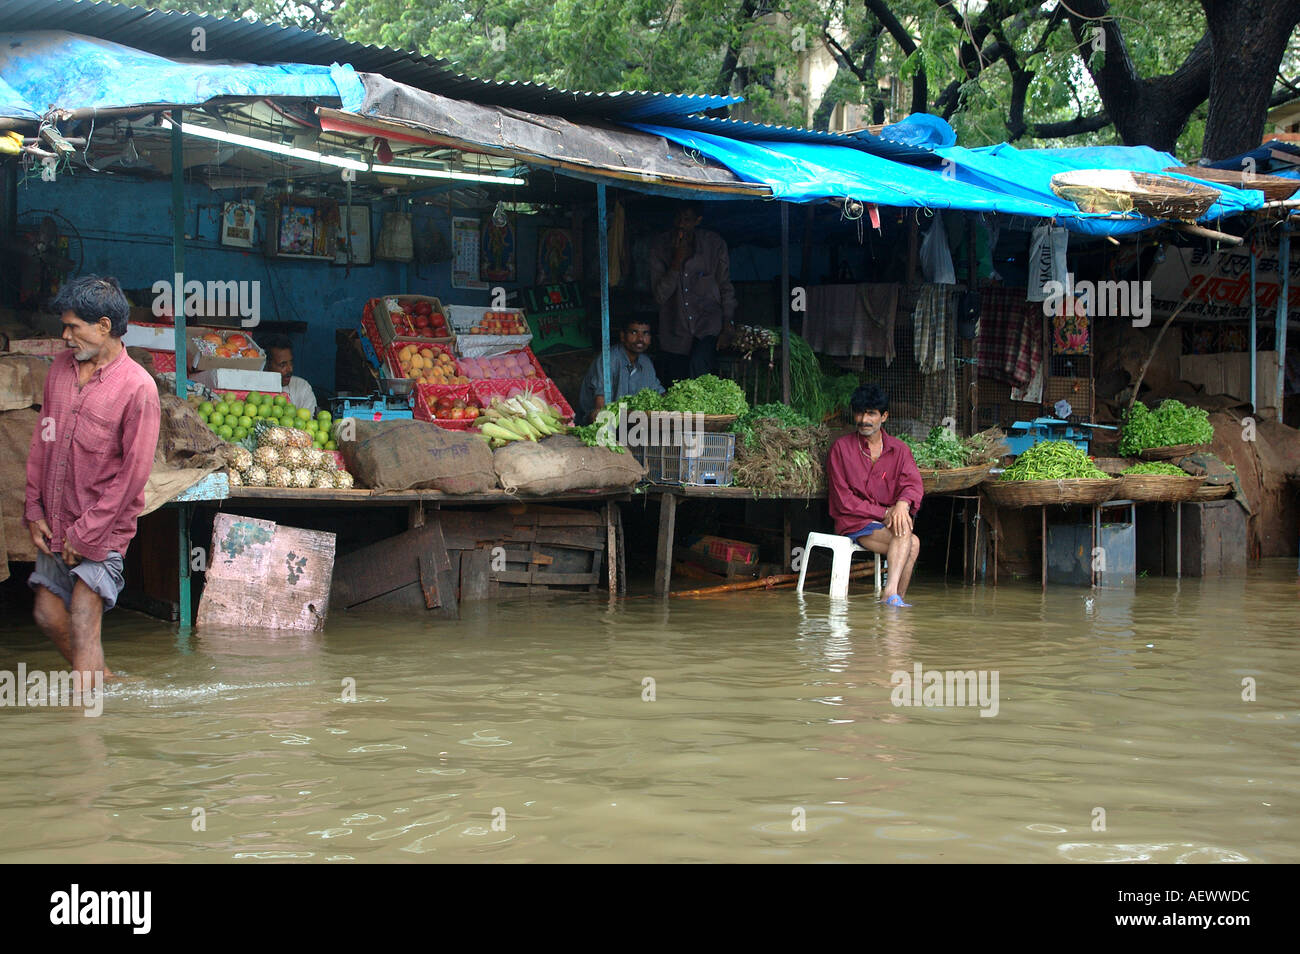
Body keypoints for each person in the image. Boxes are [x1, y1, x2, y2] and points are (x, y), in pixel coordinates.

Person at [24, 276, 161, 678]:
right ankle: (103, 683)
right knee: (48, 615)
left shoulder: (139, 388)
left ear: (104, 326)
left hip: (102, 530)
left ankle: (86, 731)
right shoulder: (61, 370)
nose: (65, 336)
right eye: (63, 326)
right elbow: (41, 441)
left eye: (73, 327)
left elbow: (133, 477)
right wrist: (34, 509)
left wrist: (86, 534)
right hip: (56, 521)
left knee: (84, 617)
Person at [825, 384, 923, 607]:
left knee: (910, 537)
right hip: (854, 521)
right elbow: (844, 500)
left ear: (884, 416)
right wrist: (885, 512)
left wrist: (901, 505)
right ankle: (892, 596)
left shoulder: (900, 450)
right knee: (910, 539)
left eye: (871, 413)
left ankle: (893, 598)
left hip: (887, 522)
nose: (863, 419)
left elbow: (912, 485)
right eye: (860, 412)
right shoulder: (841, 449)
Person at [648, 202, 737, 384]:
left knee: (700, 372)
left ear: (698, 220)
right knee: (677, 385)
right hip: (675, 331)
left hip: (707, 327)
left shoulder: (713, 244)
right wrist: (676, 262)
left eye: (687, 220)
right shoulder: (660, 247)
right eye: (678, 219)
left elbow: (725, 286)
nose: (681, 225)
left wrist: (728, 323)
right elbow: (660, 295)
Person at [578, 317, 665, 423]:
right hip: (602, 420)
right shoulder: (609, 359)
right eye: (634, 332)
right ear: (623, 336)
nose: (640, 339)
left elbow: (658, 392)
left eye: (645, 333)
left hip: (631, 421)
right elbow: (600, 401)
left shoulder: (646, 363)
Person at [260, 333, 317, 413]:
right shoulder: (254, 389)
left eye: (291, 363)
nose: (290, 369)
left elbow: (310, 420)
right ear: (266, 365)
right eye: (282, 365)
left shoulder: (302, 387)